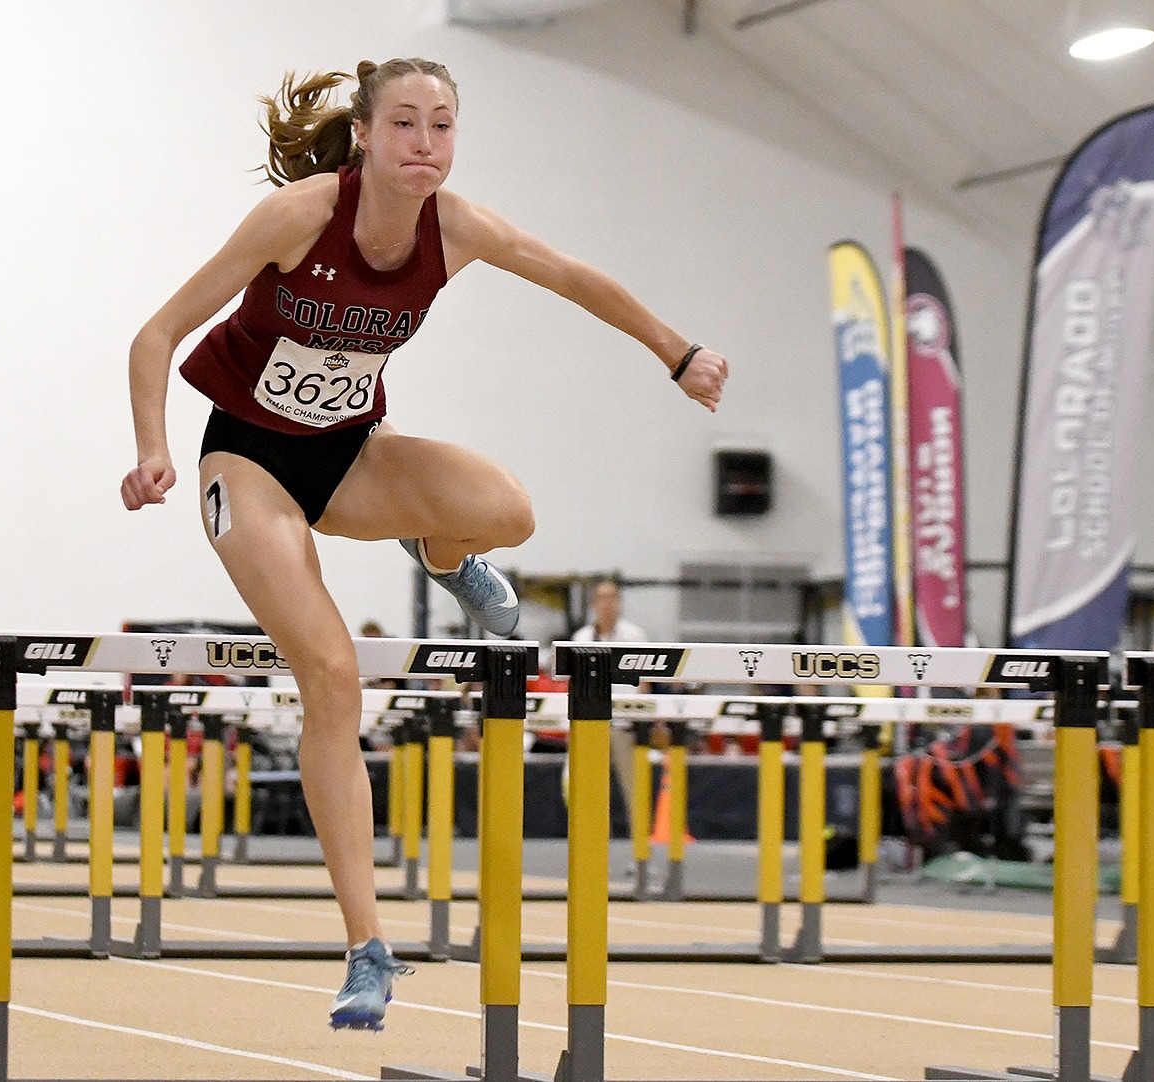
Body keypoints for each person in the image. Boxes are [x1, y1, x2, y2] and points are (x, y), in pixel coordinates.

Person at [118, 59, 729, 1028]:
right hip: (251, 460)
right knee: (332, 677)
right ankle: (367, 946)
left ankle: (442, 556)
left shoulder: (459, 227)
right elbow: (155, 334)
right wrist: (152, 450)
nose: (425, 143)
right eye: (405, 123)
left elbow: (571, 276)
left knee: (509, 509)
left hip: (353, 453)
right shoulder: (301, 216)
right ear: (365, 134)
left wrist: (677, 352)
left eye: (442, 125)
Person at [571, 577, 647, 643]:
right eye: (602, 598)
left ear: (620, 601)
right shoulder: (581, 638)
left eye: (612, 597)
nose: (607, 602)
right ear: (593, 603)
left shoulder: (635, 635)